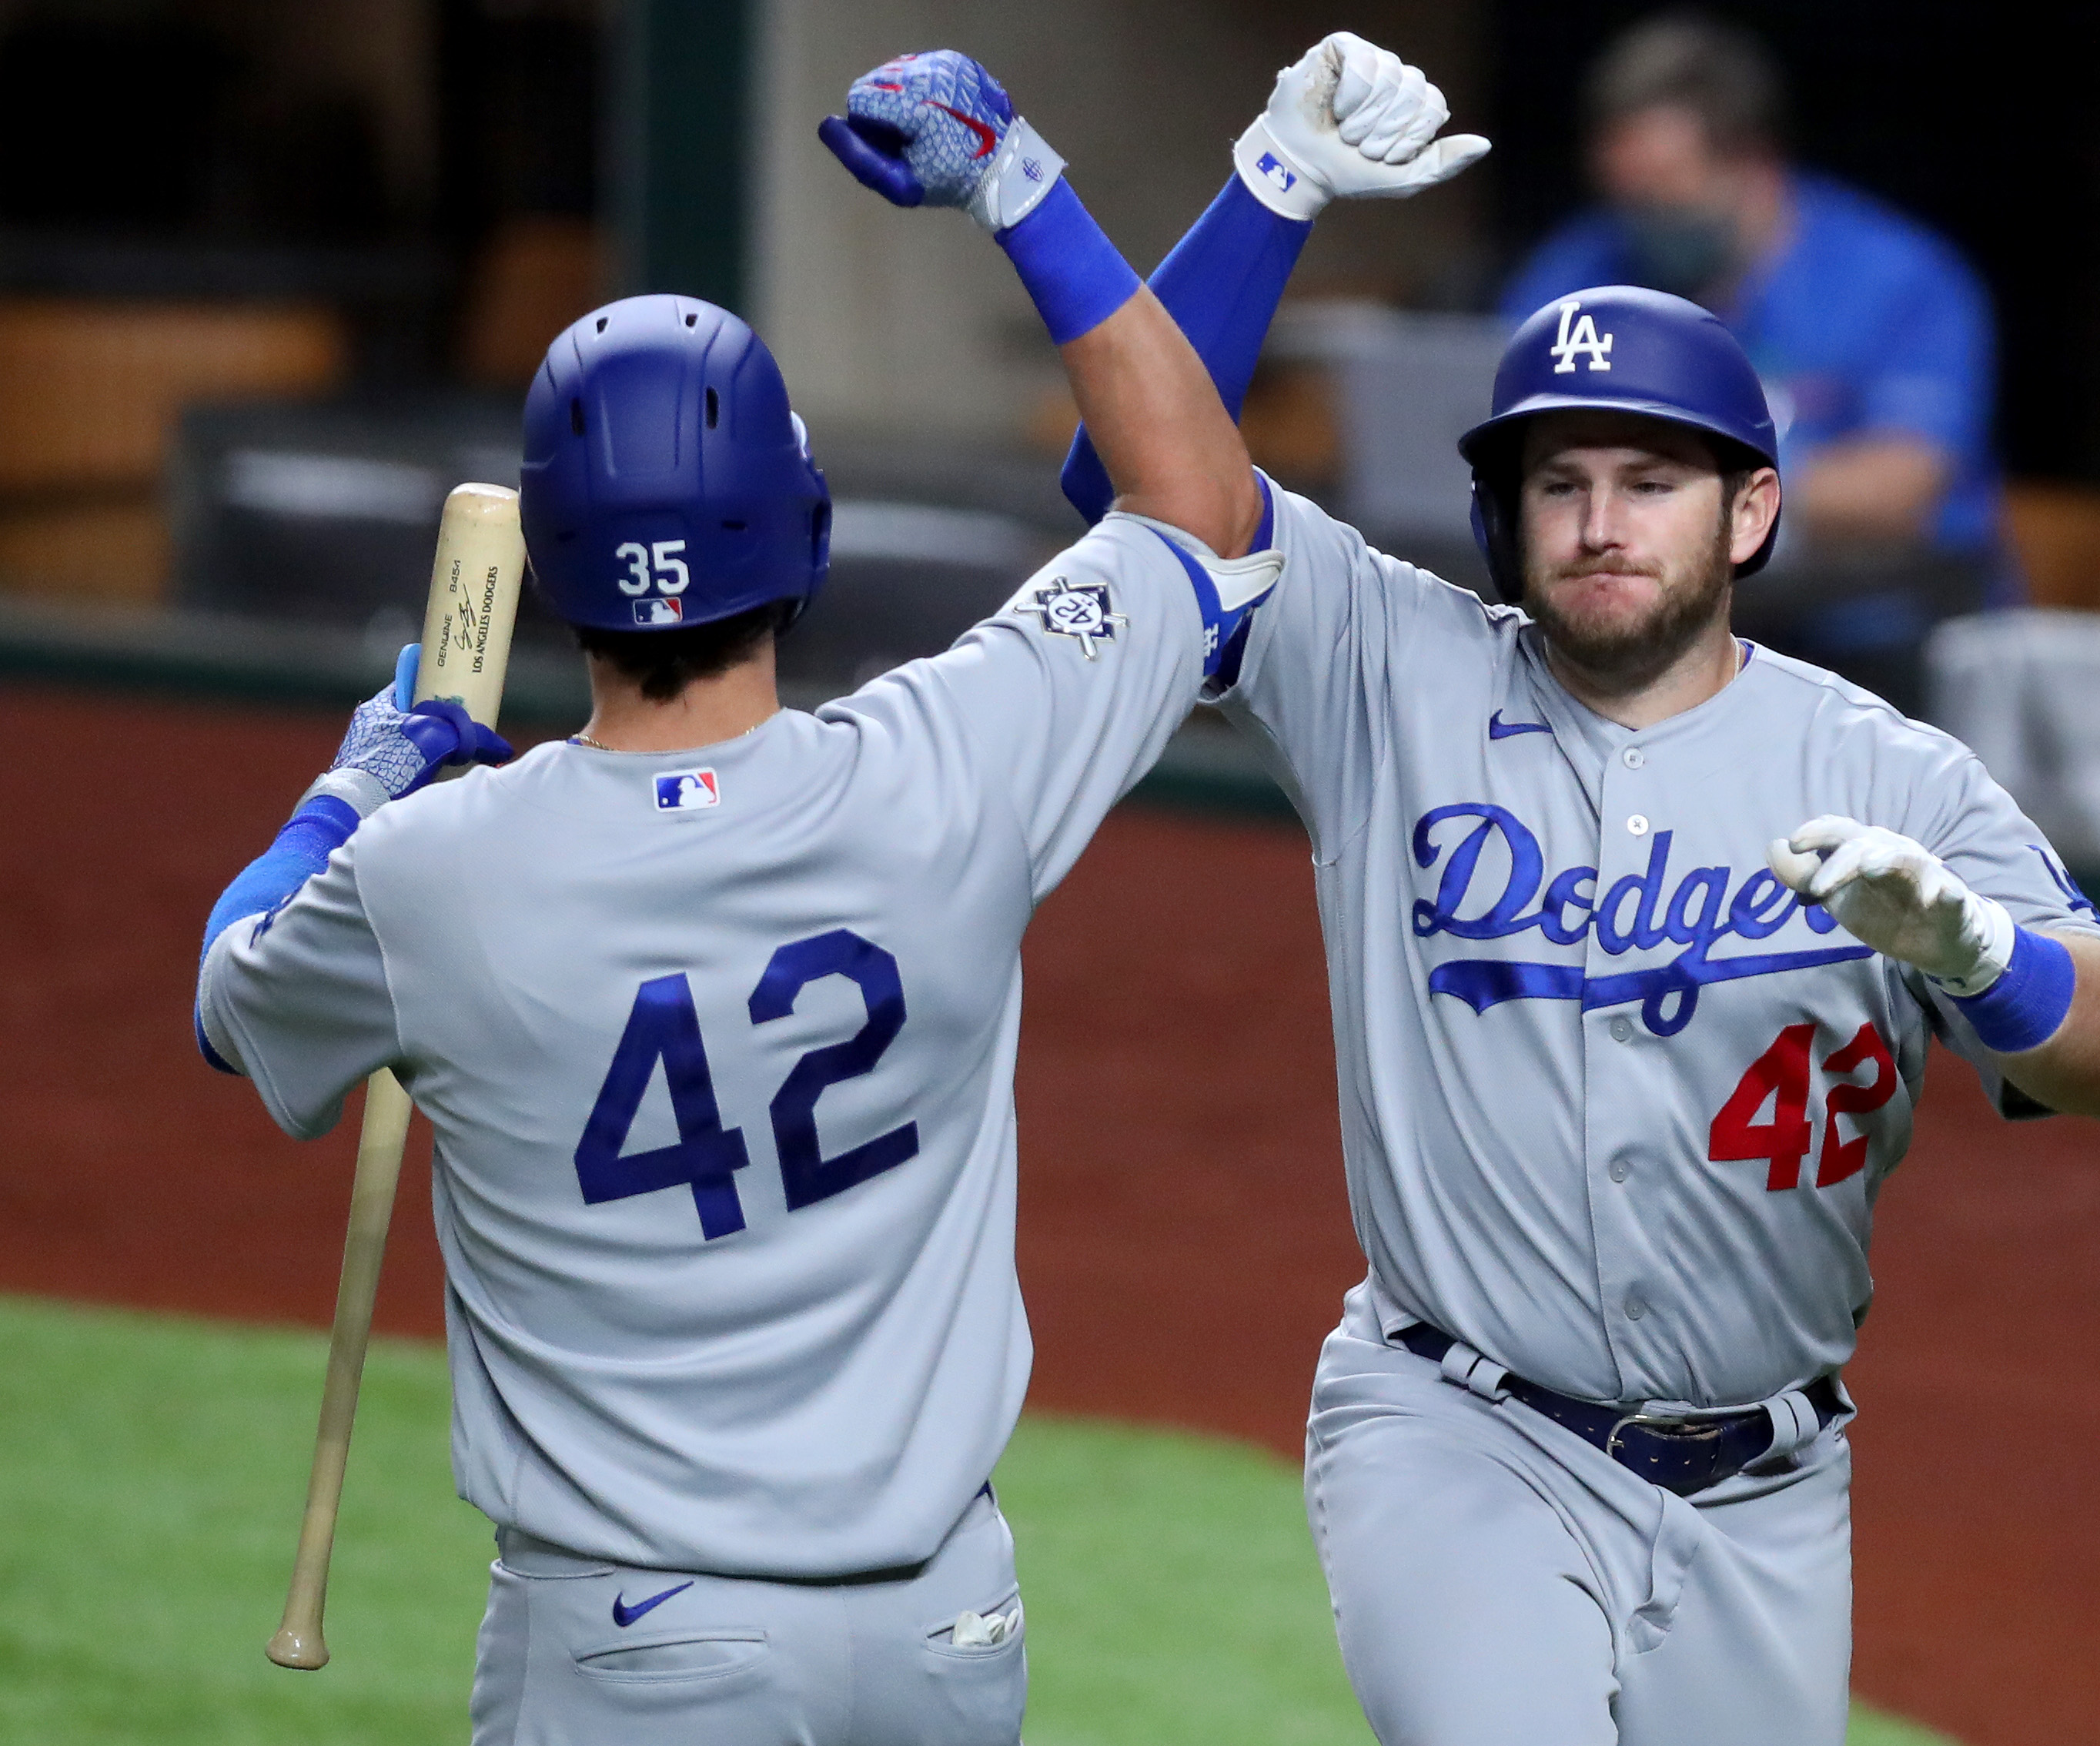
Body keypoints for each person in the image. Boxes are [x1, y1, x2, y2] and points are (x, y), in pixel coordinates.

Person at [190, 48, 1342, 1746]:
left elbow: (232, 999)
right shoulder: (953, 761)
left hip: (639, 1645)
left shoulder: (437, 874)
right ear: (798, 535)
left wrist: (351, 789)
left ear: (564, 567)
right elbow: (1196, 502)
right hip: (945, 1631)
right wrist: (1017, 182)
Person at [1062, 32, 2100, 1746]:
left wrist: (1977, 947)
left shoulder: (1888, 774)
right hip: (1456, 1433)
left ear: (1747, 513)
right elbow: (1135, 492)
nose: (1594, 523)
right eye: (1555, 483)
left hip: (1766, 1492)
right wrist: (1268, 191)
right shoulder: (1384, 666)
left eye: (1646, 483)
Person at [1498, 12, 2005, 704]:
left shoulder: (1899, 278)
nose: (1643, 218)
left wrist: (1671, 483)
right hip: (1655, 640)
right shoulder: (1584, 262)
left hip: (1872, 647)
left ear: (1752, 162)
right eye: (1625, 194)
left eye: (1665, 189)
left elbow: (1898, 485)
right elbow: (1503, 423)